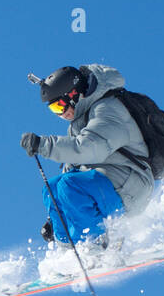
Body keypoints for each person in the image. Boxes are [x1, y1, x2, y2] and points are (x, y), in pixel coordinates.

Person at [20, 65, 154, 248]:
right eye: (54, 109)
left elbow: (88, 148)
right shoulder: (78, 122)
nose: (61, 113)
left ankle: (96, 245)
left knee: (70, 186)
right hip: (107, 182)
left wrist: (44, 145)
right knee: (52, 188)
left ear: (73, 94)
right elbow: (73, 167)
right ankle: (68, 250)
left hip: (132, 182)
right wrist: (58, 217)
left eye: (60, 105)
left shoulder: (107, 109)